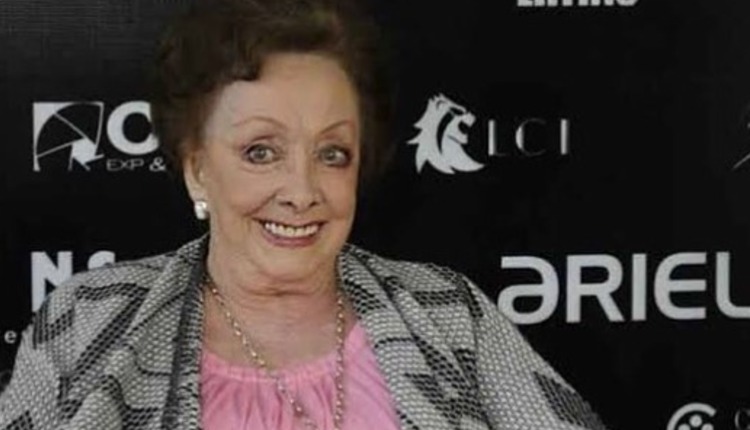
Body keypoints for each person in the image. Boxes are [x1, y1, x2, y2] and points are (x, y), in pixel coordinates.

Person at [0, 0, 608, 429]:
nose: (301, 191)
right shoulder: (87, 322)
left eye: (332, 153)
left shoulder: (451, 314)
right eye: (261, 152)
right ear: (196, 168)